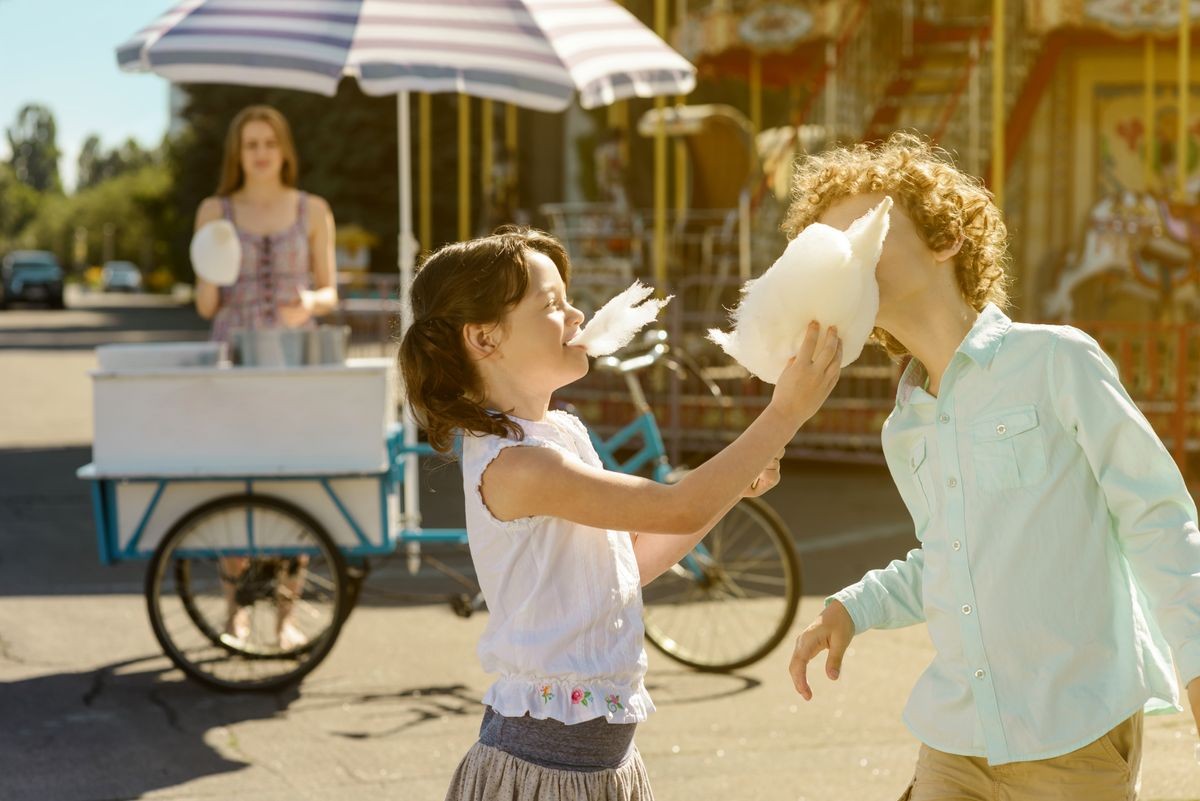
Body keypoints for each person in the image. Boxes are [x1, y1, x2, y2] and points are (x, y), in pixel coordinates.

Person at [785, 132, 1200, 800]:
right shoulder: (905, 426)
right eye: (826, 247)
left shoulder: (1057, 361)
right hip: (953, 737)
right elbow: (952, 556)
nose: (842, 255)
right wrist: (853, 608)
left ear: (944, 239)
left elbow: (1156, 515)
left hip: (1075, 734)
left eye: (865, 228)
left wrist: (1196, 657)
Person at [398, 226, 842, 800]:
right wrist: (784, 415)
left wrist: (731, 487)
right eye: (551, 304)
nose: (577, 314)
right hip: (545, 771)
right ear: (484, 338)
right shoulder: (517, 466)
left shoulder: (559, 433)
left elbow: (629, 563)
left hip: (601, 763)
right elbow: (677, 507)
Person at [192, 105, 338, 651]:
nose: (259, 153)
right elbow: (208, 303)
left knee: (294, 479)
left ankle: (286, 616)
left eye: (268, 143)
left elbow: (330, 291)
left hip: (296, 357)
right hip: (234, 357)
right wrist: (209, 268)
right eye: (250, 144)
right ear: (238, 153)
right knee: (238, 478)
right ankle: (236, 613)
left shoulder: (312, 209)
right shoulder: (216, 209)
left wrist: (309, 302)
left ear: (283, 151)